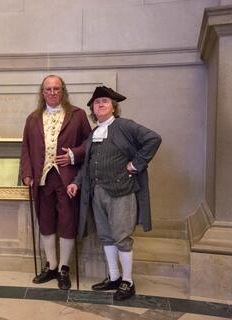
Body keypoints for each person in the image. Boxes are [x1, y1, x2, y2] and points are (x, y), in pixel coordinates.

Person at [67, 86, 161, 300]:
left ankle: (128, 282)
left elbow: (153, 139)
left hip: (121, 192)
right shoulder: (93, 133)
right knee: (106, 237)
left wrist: (136, 165)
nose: (100, 104)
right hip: (97, 192)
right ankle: (114, 277)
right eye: (96, 102)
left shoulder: (124, 126)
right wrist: (76, 182)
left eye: (105, 101)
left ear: (113, 107)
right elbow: (88, 163)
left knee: (122, 237)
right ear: (92, 108)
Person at [20, 75, 91, 290]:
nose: (52, 92)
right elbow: (25, 149)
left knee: (68, 222)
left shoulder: (77, 115)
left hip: (67, 179)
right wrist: (26, 173)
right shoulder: (32, 118)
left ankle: (63, 268)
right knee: (46, 222)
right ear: (42, 92)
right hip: (42, 180)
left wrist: (73, 155)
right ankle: (50, 266)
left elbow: (90, 143)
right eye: (48, 89)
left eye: (56, 88)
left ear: (63, 91)